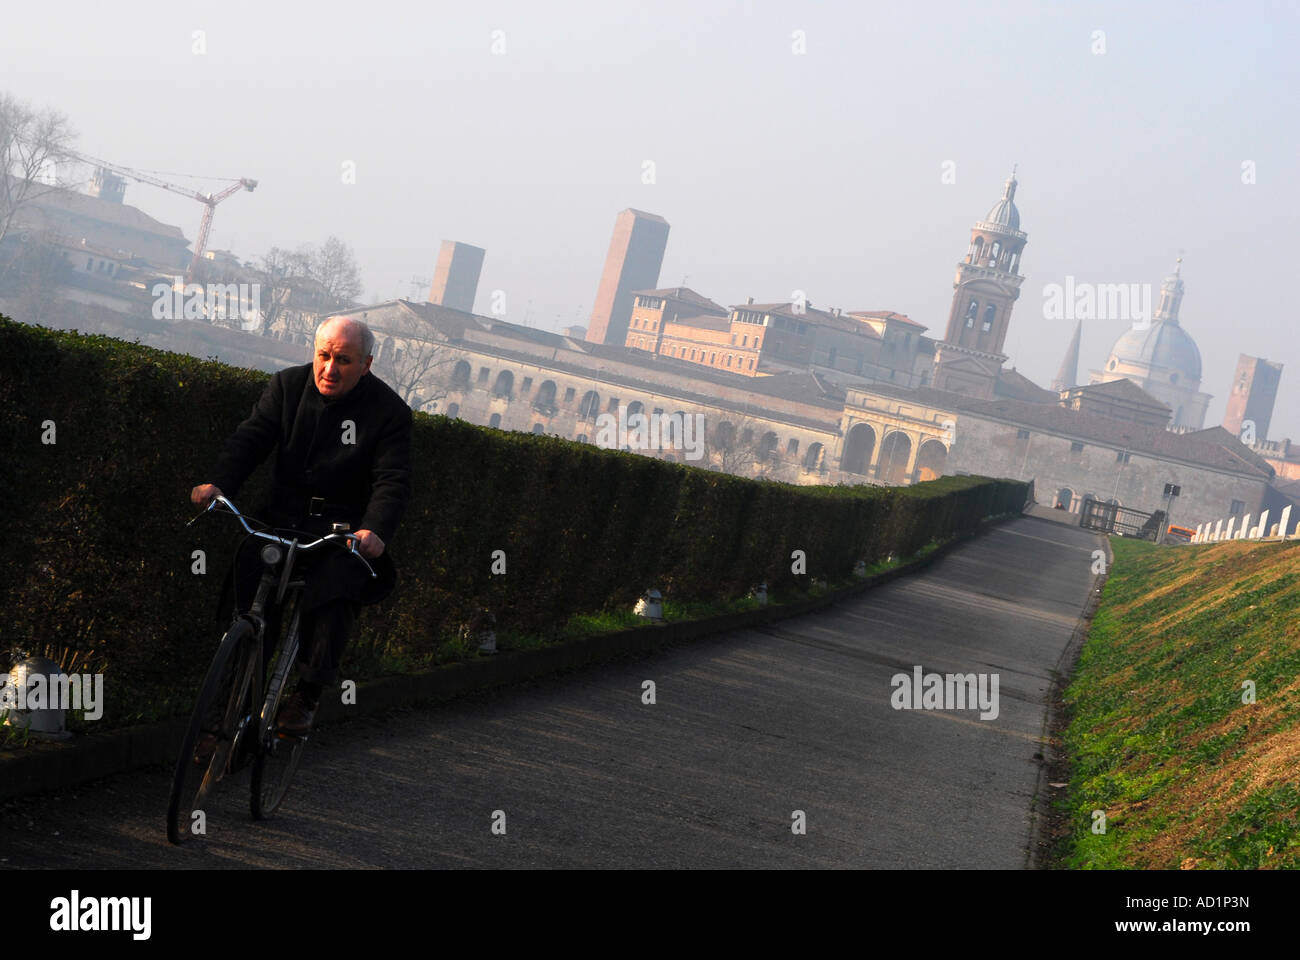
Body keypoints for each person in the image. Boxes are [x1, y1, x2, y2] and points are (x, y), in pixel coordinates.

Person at [190, 315, 413, 736]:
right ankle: (227, 691)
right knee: (248, 577)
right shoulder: (287, 387)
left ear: (366, 364)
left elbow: (393, 479)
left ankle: (307, 693)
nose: (330, 369)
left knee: (336, 587)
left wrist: (374, 530)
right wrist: (219, 484)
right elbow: (251, 438)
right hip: (280, 517)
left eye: (344, 361)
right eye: (324, 356)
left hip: (339, 530)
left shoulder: (389, 413)